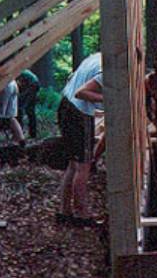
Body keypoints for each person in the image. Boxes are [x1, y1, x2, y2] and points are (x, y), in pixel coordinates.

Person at [56, 52, 103, 227]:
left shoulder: (97, 57)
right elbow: (81, 92)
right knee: (83, 166)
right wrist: (110, 99)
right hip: (78, 114)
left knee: (73, 165)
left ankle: (64, 212)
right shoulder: (107, 71)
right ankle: (81, 215)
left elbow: (72, 78)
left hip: (66, 107)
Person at [0, 79, 25, 147]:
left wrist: (1, 111)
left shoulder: (7, 85)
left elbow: (4, 102)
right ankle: (21, 139)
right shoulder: (11, 81)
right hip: (11, 85)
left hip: (6, 86)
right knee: (11, 118)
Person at [17, 69, 40, 139]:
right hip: (34, 85)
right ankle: (32, 133)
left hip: (32, 85)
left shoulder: (18, 72)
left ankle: (20, 132)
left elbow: (20, 85)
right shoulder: (22, 72)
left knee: (23, 109)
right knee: (30, 110)